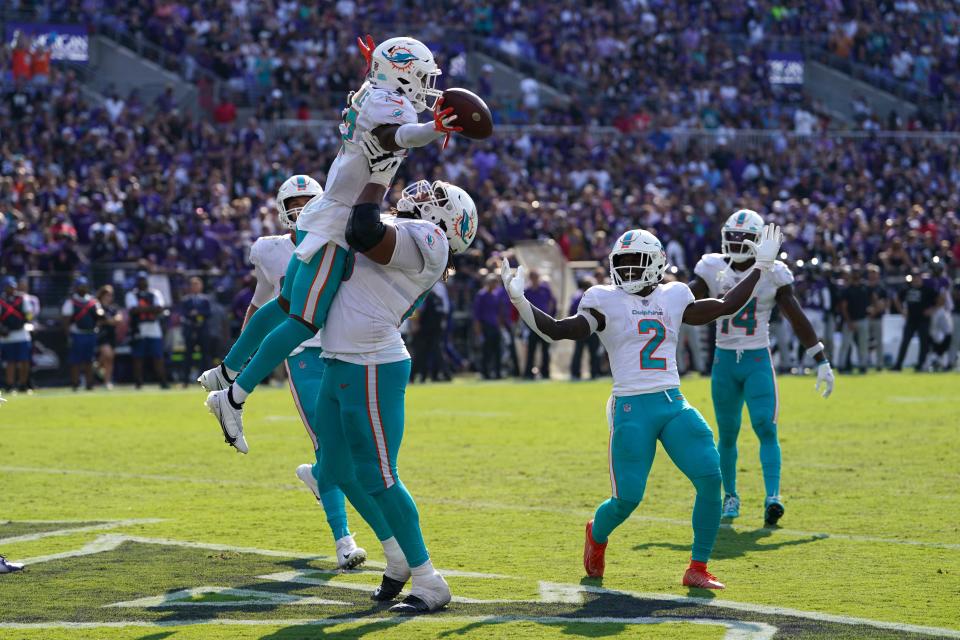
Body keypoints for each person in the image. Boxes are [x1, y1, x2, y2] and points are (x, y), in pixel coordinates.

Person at [201, 35, 462, 442]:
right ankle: (233, 396)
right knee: (305, 322)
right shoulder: (387, 102)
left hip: (330, 212)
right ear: (401, 70)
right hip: (336, 221)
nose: (427, 84)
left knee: (286, 303)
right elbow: (396, 136)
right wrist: (433, 128)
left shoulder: (376, 92)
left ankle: (227, 369)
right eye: (421, 74)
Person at [500, 224, 785, 590]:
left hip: (672, 401)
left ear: (657, 263)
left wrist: (761, 266)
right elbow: (559, 329)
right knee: (626, 500)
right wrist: (521, 301)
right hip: (631, 407)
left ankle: (697, 566)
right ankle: (596, 536)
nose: (630, 270)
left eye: (638, 262)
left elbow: (727, 306)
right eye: (625, 262)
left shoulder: (675, 295)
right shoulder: (604, 299)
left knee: (710, 477)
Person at [317, 175, 479, 612]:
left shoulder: (428, 238)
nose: (426, 193)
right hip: (338, 357)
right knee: (332, 468)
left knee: (379, 474)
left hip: (372, 360)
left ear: (446, 220)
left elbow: (364, 230)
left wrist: (378, 175)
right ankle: (397, 557)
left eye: (438, 198)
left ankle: (429, 580)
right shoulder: (412, 233)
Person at [690, 210, 834, 526]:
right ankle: (731, 496)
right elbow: (685, 299)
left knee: (765, 427)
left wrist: (819, 358)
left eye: (745, 238)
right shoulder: (711, 267)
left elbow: (797, 317)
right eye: (734, 237)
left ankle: (772, 497)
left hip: (756, 359)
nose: (738, 243)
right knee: (727, 434)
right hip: (724, 360)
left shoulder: (774, 273)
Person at [126, 271, 168, 389]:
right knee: (138, 357)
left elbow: (160, 308)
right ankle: (138, 382)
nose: (142, 282)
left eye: (143, 280)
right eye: (140, 280)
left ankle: (163, 381)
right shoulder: (131, 294)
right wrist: (151, 309)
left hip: (154, 329)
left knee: (158, 356)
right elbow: (133, 310)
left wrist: (142, 309)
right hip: (138, 329)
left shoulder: (155, 293)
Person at [61, 275, 103, 391]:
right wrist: (68, 336)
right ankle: (75, 383)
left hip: (90, 333)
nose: (82, 289)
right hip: (77, 334)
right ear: (76, 288)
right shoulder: (70, 302)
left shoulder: (93, 301)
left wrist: (97, 325)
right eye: (80, 286)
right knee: (75, 360)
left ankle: (90, 384)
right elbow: (66, 320)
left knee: (89, 360)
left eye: (84, 286)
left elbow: (100, 316)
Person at [892, 274, 937, 371]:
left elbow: (940, 299)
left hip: (923, 320)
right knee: (905, 342)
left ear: (921, 279)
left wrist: (932, 310)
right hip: (911, 320)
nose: (916, 280)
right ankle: (898, 365)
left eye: (917, 278)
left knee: (923, 344)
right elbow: (896, 298)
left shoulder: (927, 290)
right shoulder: (907, 289)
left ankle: (920, 365)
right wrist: (902, 310)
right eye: (914, 278)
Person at [0, 276, 32, 393]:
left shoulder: (23, 299)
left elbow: (29, 314)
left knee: (24, 361)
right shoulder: (1, 300)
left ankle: (23, 384)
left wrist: (26, 320)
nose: (11, 289)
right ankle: (10, 385)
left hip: (22, 334)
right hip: (7, 336)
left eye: (13, 286)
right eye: (9, 287)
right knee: (10, 362)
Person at [179, 277, 213, 386]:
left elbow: (209, 313)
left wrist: (198, 313)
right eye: (193, 285)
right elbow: (183, 313)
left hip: (202, 330)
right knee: (188, 355)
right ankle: (185, 380)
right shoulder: (186, 300)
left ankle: (206, 380)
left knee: (205, 355)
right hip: (190, 330)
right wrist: (191, 315)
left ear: (201, 286)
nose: (195, 287)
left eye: (197, 284)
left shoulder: (205, 299)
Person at [523, 269, 556, 379]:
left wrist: (550, 317)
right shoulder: (527, 291)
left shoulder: (545, 289)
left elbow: (552, 302)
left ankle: (545, 372)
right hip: (532, 324)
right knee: (531, 350)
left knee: (545, 350)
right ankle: (528, 373)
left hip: (545, 324)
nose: (535, 279)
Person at [838, 266, 871, 373]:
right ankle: (841, 365)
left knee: (863, 344)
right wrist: (848, 321)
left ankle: (863, 365)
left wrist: (871, 312)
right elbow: (843, 307)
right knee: (845, 344)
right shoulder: (847, 290)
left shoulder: (865, 288)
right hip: (850, 321)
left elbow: (873, 300)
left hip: (862, 319)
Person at [569, 277, 602, 380]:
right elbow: (572, 312)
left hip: (588, 329)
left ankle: (591, 373)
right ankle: (586, 373)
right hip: (583, 329)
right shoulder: (579, 298)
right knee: (582, 352)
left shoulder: (579, 297)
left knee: (590, 352)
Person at [472, 274, 504, 379]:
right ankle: (485, 373)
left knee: (497, 351)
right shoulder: (481, 295)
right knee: (487, 351)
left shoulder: (495, 295)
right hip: (485, 326)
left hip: (495, 326)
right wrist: (478, 331)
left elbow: (498, 312)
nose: (495, 284)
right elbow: (477, 314)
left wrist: (500, 326)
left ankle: (497, 372)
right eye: (493, 282)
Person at [96, 285, 122, 389]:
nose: (109, 297)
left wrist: (108, 321)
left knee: (110, 359)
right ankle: (97, 369)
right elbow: (98, 320)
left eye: (110, 295)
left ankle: (106, 380)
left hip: (112, 335)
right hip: (102, 335)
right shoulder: (97, 307)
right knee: (108, 355)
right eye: (107, 295)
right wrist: (110, 321)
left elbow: (118, 319)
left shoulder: (113, 308)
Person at [865, 265, 888, 370]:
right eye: (870, 272)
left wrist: (874, 311)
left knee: (878, 341)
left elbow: (884, 303)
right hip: (866, 317)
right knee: (865, 341)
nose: (872, 275)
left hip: (877, 317)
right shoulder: (864, 286)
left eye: (874, 273)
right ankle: (865, 362)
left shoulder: (881, 288)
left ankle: (879, 363)